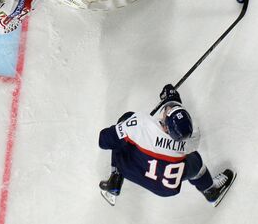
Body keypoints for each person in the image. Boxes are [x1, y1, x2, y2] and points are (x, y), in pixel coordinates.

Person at [98, 84, 236, 207]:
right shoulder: (191, 138)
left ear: (165, 127)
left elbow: (103, 140)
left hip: (131, 170)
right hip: (165, 189)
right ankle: (211, 192)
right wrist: (173, 100)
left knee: (122, 128)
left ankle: (115, 179)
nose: (164, 112)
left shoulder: (141, 124)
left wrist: (124, 126)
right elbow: (178, 125)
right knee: (196, 161)